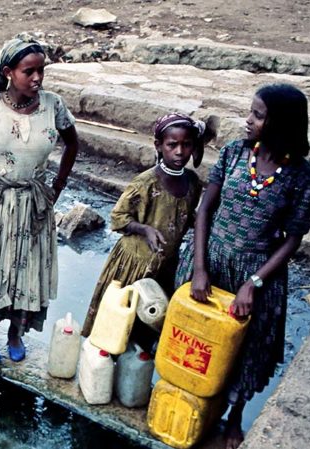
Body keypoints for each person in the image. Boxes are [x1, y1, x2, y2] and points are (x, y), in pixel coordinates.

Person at [174, 83, 310, 449]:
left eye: (257, 115)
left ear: (279, 123)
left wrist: (253, 282)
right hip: (213, 256)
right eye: (250, 112)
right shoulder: (235, 153)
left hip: (257, 271)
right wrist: (200, 268)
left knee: (246, 348)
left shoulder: (302, 177)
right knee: (195, 338)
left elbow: (292, 238)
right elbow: (205, 209)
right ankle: (188, 401)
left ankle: (234, 417)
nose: (247, 120)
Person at [0, 35, 79, 365]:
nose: (37, 78)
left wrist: (57, 186)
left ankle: (15, 333)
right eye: (28, 71)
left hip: (32, 205)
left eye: (41, 71)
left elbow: (72, 144)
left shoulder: (53, 105)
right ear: (9, 72)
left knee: (26, 270)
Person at [79, 112, 215, 354]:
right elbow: (118, 217)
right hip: (133, 264)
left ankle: (136, 367)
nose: (180, 152)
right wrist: (144, 229)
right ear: (159, 146)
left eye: (186, 145)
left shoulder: (192, 183)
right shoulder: (146, 183)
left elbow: (185, 214)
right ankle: (105, 362)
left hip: (164, 265)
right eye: (172, 145)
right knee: (119, 321)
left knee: (150, 320)